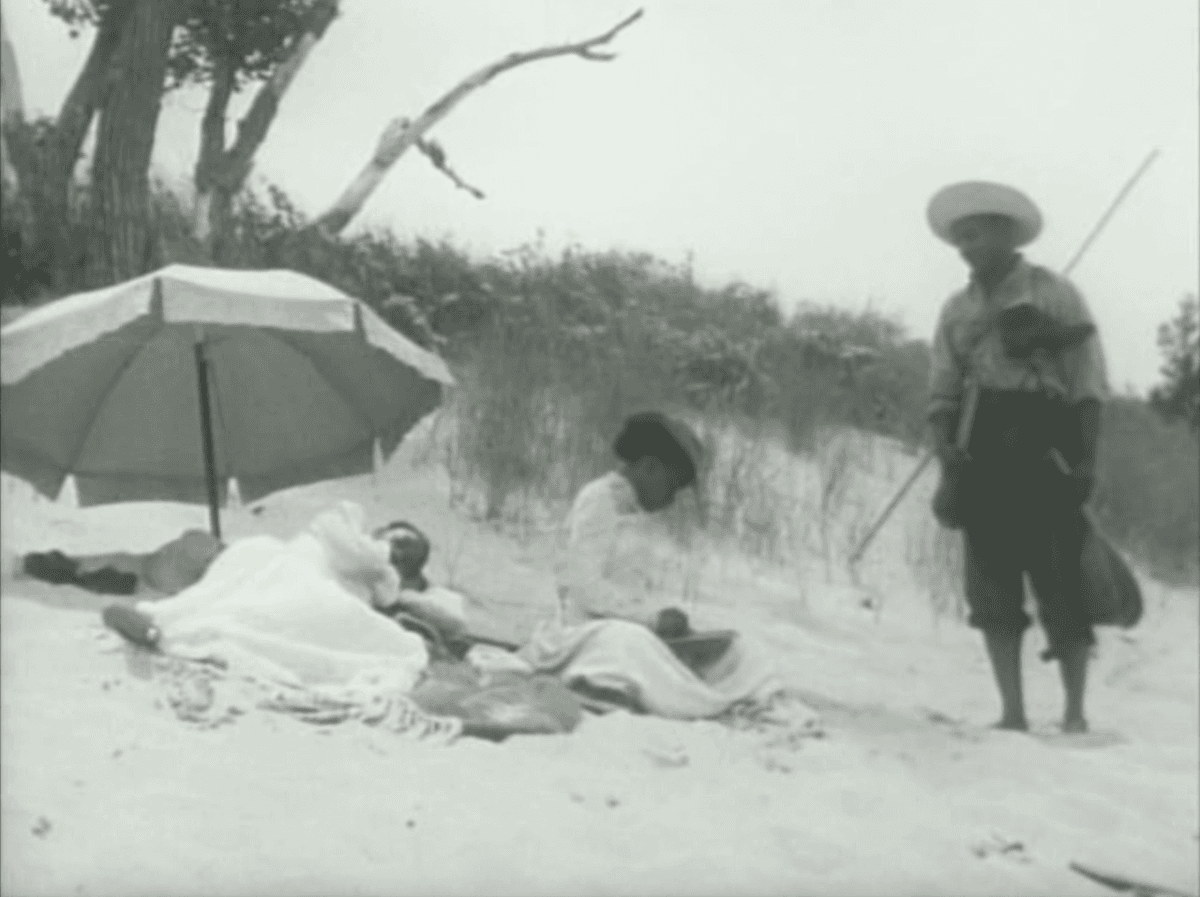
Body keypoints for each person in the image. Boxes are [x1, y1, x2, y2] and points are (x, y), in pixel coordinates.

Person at [925, 181, 1109, 733]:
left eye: (976, 235)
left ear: (1006, 235)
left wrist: (1085, 461)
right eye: (959, 238)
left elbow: (1087, 385)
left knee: (1061, 580)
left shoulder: (1056, 295)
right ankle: (1012, 713)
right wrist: (946, 460)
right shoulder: (957, 309)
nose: (966, 248)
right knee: (990, 584)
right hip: (980, 449)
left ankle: (1074, 713)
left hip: (1045, 447)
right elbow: (942, 391)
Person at [520, 411, 781, 719]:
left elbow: (629, 593)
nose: (672, 499)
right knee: (630, 643)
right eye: (671, 486)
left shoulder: (638, 513)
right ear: (649, 468)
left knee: (738, 648)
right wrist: (651, 620)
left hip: (627, 630)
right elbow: (583, 587)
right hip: (582, 636)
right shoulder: (599, 499)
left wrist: (663, 626)